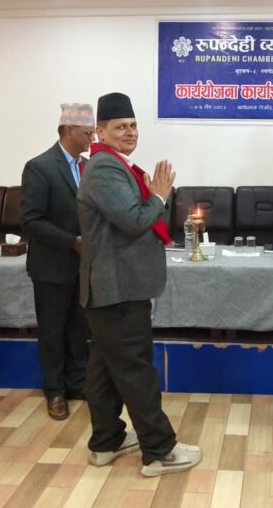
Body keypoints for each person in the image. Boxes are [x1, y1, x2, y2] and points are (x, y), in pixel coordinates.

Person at [77, 92, 202, 476]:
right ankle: (159, 451)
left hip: (114, 287)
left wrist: (153, 196)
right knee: (136, 371)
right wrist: (159, 196)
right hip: (117, 288)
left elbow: (133, 218)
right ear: (100, 132)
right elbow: (133, 221)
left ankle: (106, 441)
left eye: (133, 125)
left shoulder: (117, 165)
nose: (130, 132)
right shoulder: (105, 168)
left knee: (104, 369)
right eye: (120, 127)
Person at [21, 103, 93, 420]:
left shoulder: (89, 166)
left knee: (79, 327)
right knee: (52, 330)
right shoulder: (40, 167)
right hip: (52, 266)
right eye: (87, 132)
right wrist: (71, 242)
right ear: (68, 130)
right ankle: (54, 391)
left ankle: (76, 382)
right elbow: (31, 220)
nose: (92, 138)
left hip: (84, 265)